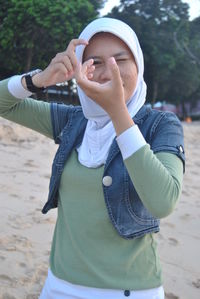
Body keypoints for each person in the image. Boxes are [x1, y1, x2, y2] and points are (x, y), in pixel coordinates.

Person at [0, 17, 185, 299]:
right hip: (59, 284)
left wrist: (118, 113)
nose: (109, 69)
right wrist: (40, 79)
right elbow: (4, 104)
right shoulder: (73, 121)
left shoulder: (161, 125)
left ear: (139, 64)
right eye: (95, 62)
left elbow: (163, 201)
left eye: (121, 59)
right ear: (80, 69)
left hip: (131, 291)